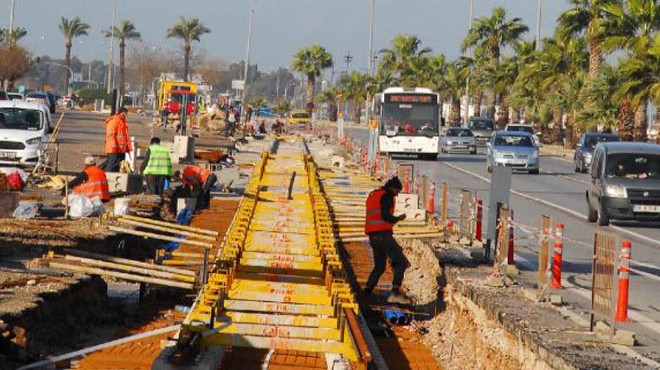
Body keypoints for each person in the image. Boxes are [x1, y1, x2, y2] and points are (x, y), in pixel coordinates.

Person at [363, 176, 411, 304]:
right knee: (401, 262)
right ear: (392, 188)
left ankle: (366, 293)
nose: (396, 195)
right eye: (397, 192)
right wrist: (398, 218)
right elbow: (385, 216)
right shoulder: (387, 196)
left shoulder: (374, 194)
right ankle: (395, 293)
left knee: (379, 267)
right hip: (383, 235)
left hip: (373, 236)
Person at [102, 107, 132, 172]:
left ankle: (112, 175)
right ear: (120, 113)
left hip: (120, 148)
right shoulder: (114, 121)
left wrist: (126, 147)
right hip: (114, 148)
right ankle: (107, 176)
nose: (125, 115)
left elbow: (124, 136)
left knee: (118, 163)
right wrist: (114, 147)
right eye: (124, 114)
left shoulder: (122, 121)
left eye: (125, 114)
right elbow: (110, 135)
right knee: (112, 163)